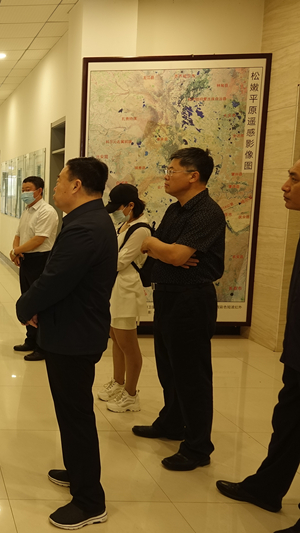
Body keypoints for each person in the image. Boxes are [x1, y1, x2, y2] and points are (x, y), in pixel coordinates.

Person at [16, 157, 117, 530]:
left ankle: (90, 500)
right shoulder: (85, 219)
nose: (55, 185)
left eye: (60, 179)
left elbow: (55, 279)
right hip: (70, 328)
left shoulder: (85, 227)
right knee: (70, 412)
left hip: (75, 335)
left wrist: (25, 307)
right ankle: (77, 471)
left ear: (76, 185)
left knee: (76, 417)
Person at [215, 159, 300, 533]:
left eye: (294, 178)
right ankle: (266, 488)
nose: (284, 185)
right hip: (296, 353)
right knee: (288, 422)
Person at [134, 147, 225, 472]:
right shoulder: (176, 210)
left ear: (193, 176)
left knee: (192, 375)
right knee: (169, 368)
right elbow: (157, 247)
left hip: (192, 300)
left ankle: (198, 447)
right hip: (168, 296)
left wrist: (161, 249)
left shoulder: (207, 212)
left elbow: (171, 254)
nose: (166, 176)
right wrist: (162, 249)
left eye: (172, 170)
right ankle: (172, 423)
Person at [98, 183, 150, 413]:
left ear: (130, 205)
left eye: (118, 208)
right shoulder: (124, 224)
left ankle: (131, 394)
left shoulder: (141, 229)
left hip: (127, 291)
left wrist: (97, 261)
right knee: (116, 338)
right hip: (115, 288)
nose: (116, 213)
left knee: (128, 343)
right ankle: (118, 382)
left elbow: (120, 261)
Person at [10, 175, 58, 362]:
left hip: (41, 259)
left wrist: (16, 251)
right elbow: (18, 234)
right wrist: (17, 251)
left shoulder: (47, 211)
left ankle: (42, 346)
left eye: (28, 189)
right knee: (27, 299)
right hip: (26, 259)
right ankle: (30, 339)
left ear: (39, 191)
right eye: (22, 190)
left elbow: (39, 239)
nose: (24, 193)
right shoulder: (27, 210)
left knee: (40, 303)